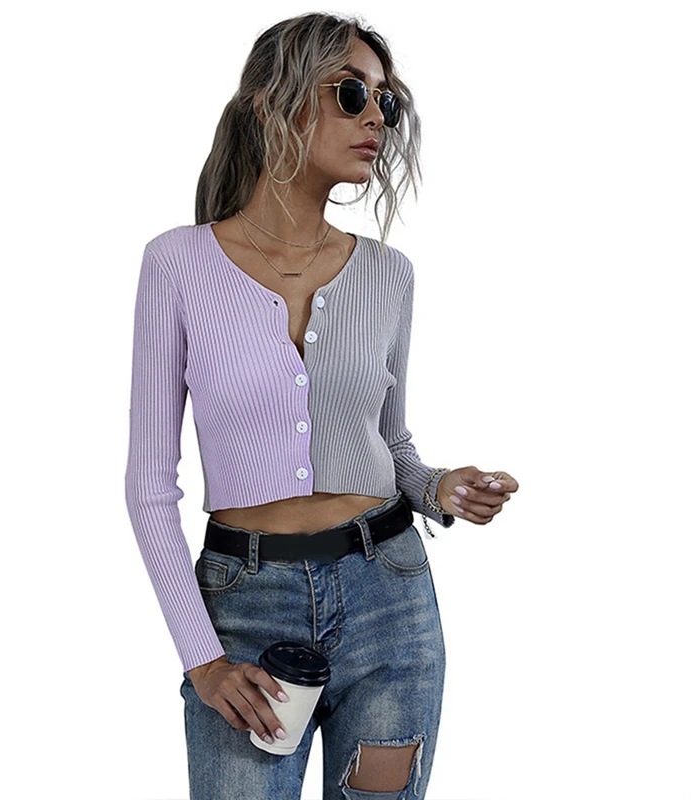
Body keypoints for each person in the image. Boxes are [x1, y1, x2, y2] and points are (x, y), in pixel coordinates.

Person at [124, 11, 518, 800]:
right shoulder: (177, 264)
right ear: (271, 102)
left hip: (390, 595)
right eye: (350, 93)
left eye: (385, 100)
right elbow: (148, 488)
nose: (377, 117)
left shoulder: (389, 273)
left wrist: (438, 488)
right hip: (245, 605)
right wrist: (203, 661)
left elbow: (391, 443)